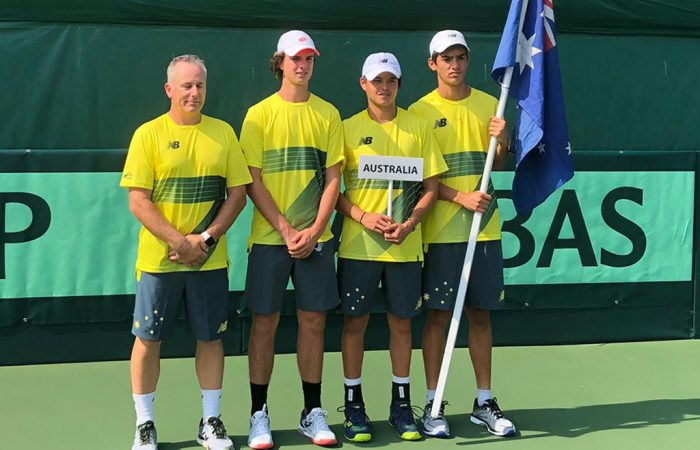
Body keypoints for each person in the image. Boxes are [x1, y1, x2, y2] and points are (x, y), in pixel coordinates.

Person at [121, 54, 252, 450]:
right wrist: (180, 243)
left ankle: (210, 421)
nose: (194, 93)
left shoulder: (223, 133)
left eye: (200, 86)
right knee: (148, 340)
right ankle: (145, 425)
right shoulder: (148, 135)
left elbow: (238, 194)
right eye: (186, 86)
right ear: (169, 90)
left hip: (210, 262)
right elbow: (139, 201)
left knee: (210, 338)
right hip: (160, 263)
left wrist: (206, 240)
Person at [408, 30, 516, 438]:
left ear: (468, 61)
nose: (454, 64)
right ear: (432, 64)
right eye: (445, 58)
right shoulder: (417, 113)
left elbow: (498, 166)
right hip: (440, 233)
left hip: (485, 232)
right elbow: (418, 178)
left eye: (460, 57)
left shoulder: (493, 106)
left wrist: (503, 141)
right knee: (437, 316)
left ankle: (484, 401)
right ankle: (433, 403)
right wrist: (459, 197)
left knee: (480, 315)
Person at [239, 30, 343, 449]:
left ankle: (311, 412)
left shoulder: (328, 115)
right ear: (279, 62)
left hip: (317, 238)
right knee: (264, 322)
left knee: (313, 321)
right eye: (295, 59)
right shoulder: (259, 115)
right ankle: (258, 414)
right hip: (269, 239)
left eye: (309, 59)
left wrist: (316, 228)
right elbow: (252, 179)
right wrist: (284, 228)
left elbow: (334, 178)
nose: (302, 66)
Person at [336, 52, 447, 443]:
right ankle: (354, 406)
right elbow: (335, 193)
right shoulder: (346, 129)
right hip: (358, 249)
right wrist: (364, 217)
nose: (384, 88)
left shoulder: (418, 127)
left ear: (399, 85)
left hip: (404, 248)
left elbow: (432, 187)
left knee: (402, 324)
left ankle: (402, 406)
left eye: (391, 81)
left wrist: (411, 222)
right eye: (377, 80)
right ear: (363, 84)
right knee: (356, 325)